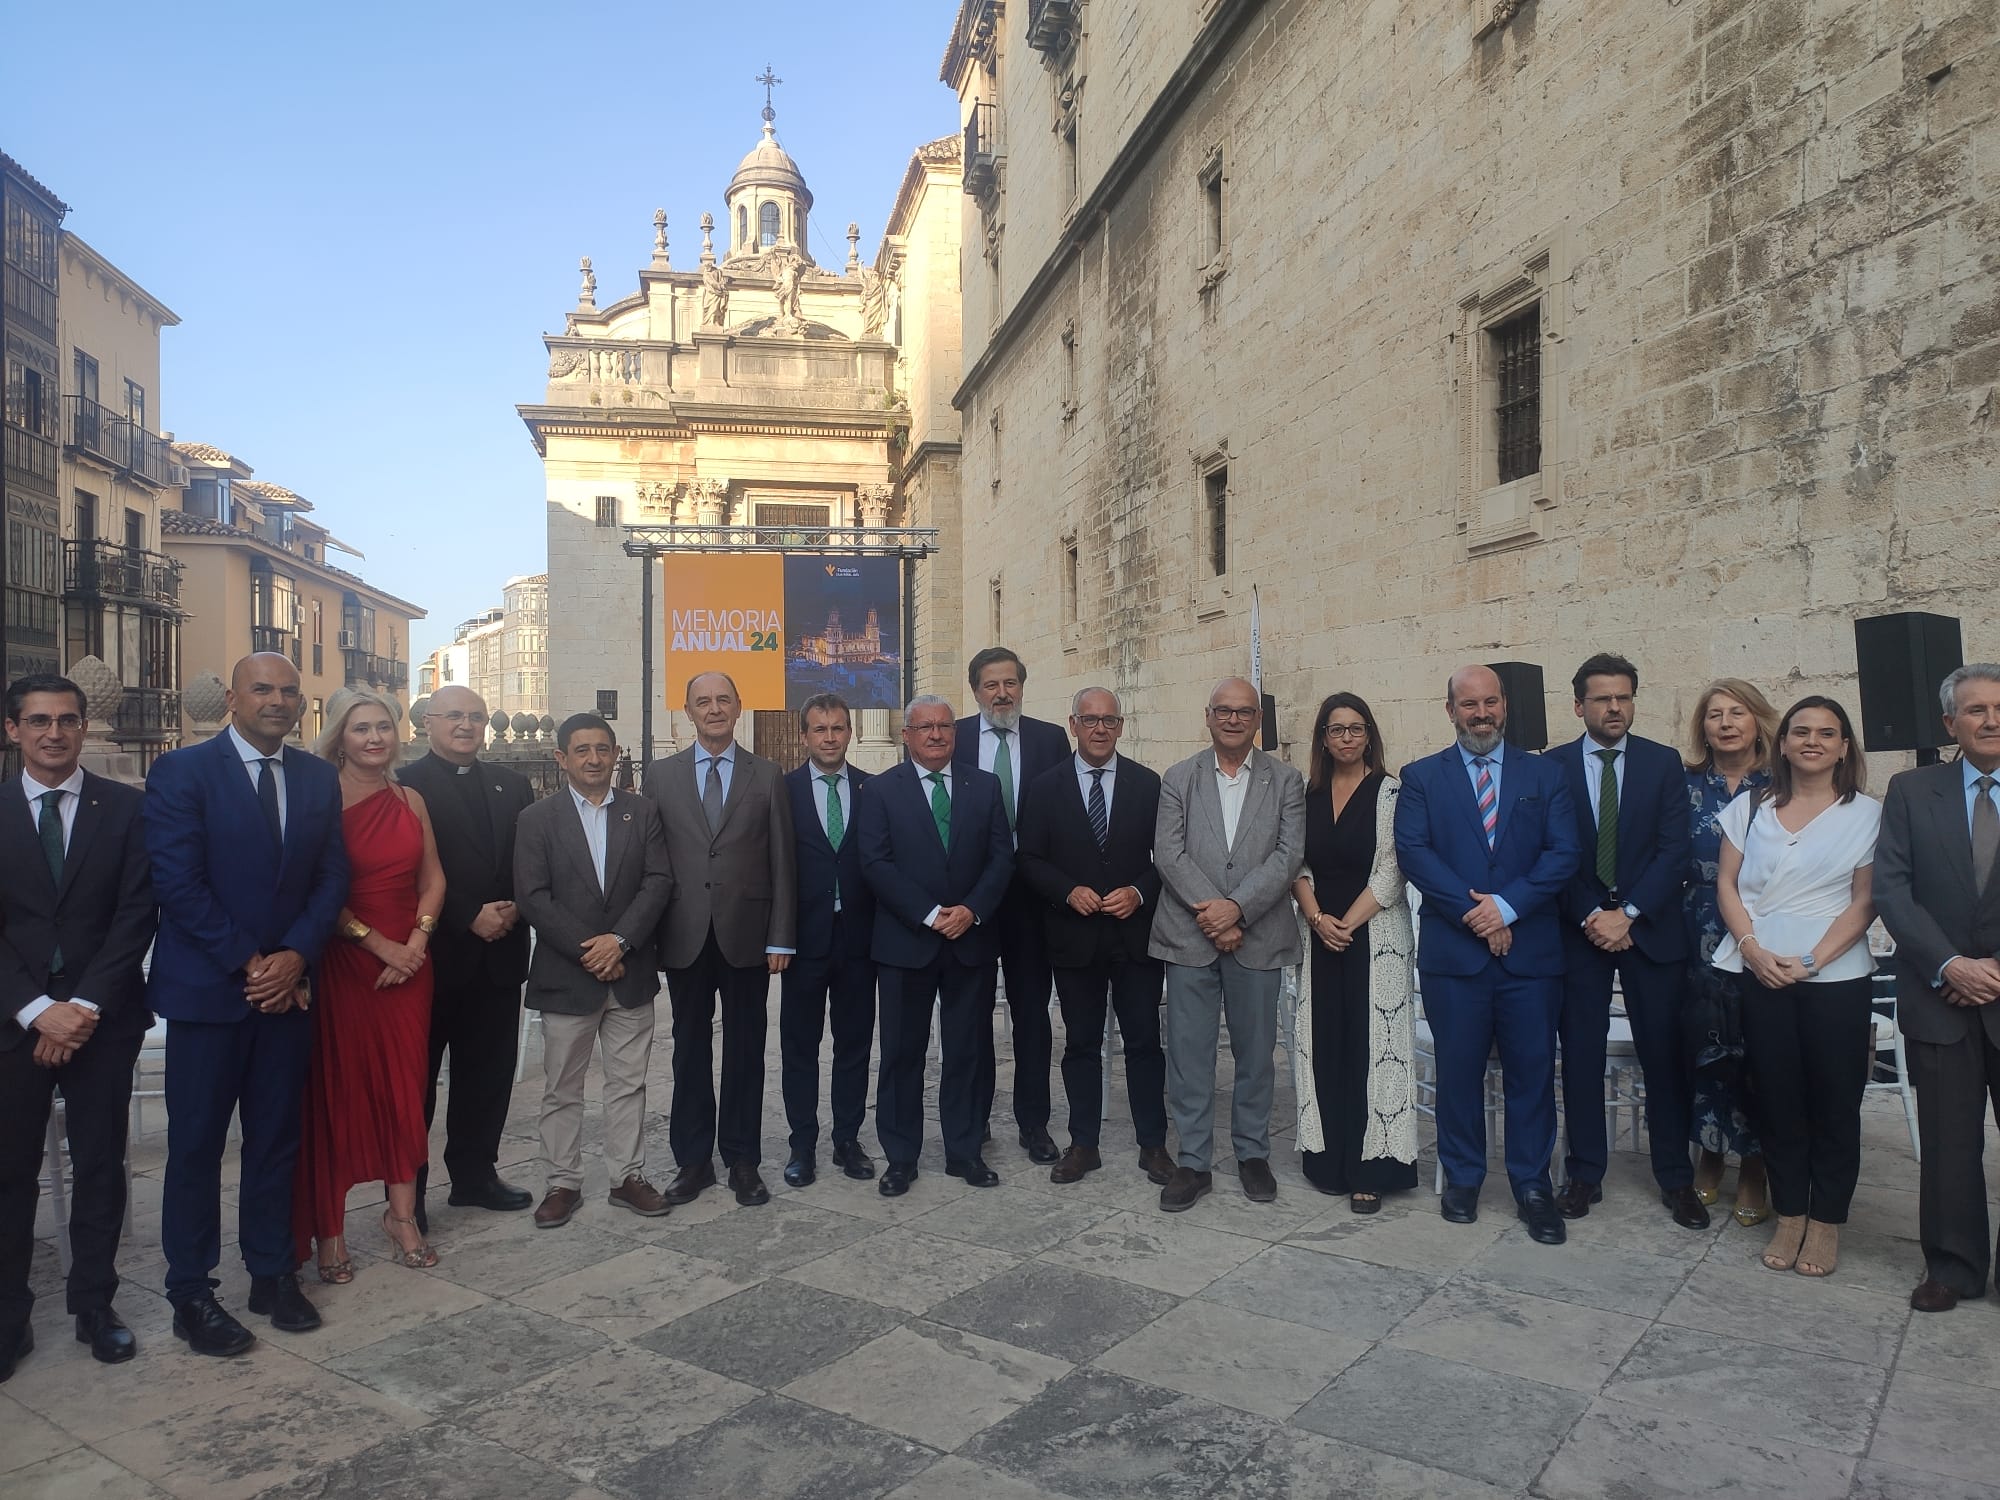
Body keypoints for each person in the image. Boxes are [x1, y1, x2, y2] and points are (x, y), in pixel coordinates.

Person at [147, 652, 349, 1354]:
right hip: (209, 994)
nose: (278, 701)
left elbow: (332, 878)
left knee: (275, 1139)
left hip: (287, 995)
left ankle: (271, 1272)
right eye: (262, 689)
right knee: (195, 1147)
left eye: (289, 691)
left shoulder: (318, 778)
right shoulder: (182, 772)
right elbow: (178, 882)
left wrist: (295, 956)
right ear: (232, 698)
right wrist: (252, 962)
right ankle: (191, 1292)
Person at [0, 675, 155, 1378]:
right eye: (38, 721)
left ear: (84, 726)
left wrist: (83, 1006)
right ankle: (9, 1318)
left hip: (102, 1021)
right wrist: (39, 1010)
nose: (53, 733)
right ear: (13, 730)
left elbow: (137, 914)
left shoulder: (125, 809)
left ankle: (95, 1306)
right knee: (10, 1173)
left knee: (99, 1167)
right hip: (13, 1023)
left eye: (66, 720)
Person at [1394, 665, 1580, 1246]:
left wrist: (1507, 908)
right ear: (1450, 710)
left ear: (1505, 706)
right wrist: (1479, 915)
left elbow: (1563, 852)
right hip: (1456, 957)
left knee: (1532, 1075)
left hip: (1531, 959)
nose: (1481, 714)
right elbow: (1415, 853)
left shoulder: (1545, 775)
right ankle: (1464, 1178)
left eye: (1490, 703)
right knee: (1458, 1072)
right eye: (1469, 704)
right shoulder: (1421, 777)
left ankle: (1532, 1186)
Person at [1713, 695, 1880, 1280]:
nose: (1813, 741)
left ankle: (1827, 1220)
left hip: (1836, 976)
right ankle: (1790, 1213)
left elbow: (1865, 900)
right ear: (1781, 743)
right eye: (1801, 731)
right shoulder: (1750, 807)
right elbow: (1727, 885)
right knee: (1777, 1098)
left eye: (1826, 733)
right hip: (1762, 970)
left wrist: (1811, 961)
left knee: (1835, 1102)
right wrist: (1753, 949)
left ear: (1844, 747)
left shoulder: (1868, 814)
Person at [292, 688, 446, 1280]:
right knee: (338, 1091)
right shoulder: (318, 797)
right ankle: (330, 1230)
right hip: (343, 964)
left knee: (404, 1091)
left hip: (409, 968)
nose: (375, 737)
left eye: (383, 726)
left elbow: (433, 879)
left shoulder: (410, 798)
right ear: (339, 736)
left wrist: (416, 944)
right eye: (361, 728)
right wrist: (380, 945)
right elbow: (310, 888)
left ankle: (401, 1215)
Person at [1549, 655, 1702, 1227]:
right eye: (1603, 699)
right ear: (1578, 706)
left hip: (1650, 931)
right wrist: (1593, 913)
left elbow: (1675, 850)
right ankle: (1585, 1173)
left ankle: (1676, 1178)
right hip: (1579, 933)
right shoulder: (1552, 768)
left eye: (1624, 697)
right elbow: (1552, 853)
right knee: (1581, 1058)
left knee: (1663, 1057)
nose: (1615, 708)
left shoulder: (1663, 763)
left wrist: (1629, 913)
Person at [1150, 678, 1306, 1213]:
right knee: (1189, 1056)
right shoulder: (1179, 778)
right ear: (1208, 716)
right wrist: (1215, 914)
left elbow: (1288, 855)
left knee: (1256, 1055)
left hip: (1258, 936)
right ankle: (1193, 1161)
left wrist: (1237, 909)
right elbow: (1169, 853)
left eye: (1243, 711)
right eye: (1224, 711)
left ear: (1258, 719)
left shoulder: (1286, 780)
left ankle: (1252, 1154)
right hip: (1189, 935)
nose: (1233, 719)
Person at [515, 713, 675, 1228]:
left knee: (628, 1084)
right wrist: (592, 950)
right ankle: (562, 1182)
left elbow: (658, 880)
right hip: (567, 975)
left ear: (616, 754)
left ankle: (627, 1176)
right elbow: (533, 895)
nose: (593, 759)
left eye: (602, 749)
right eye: (581, 750)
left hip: (631, 973)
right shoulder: (537, 819)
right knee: (562, 1087)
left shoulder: (641, 812)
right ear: (561, 758)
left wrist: (620, 942)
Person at [1873, 665, 2000, 1312]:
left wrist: (1992, 970)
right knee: (1949, 1144)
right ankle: (1952, 1267)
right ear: (1951, 723)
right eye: (1976, 710)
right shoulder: (1912, 790)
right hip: (1939, 996)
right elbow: (1892, 889)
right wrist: (1949, 964)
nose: (1992, 720)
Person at [644, 672, 797, 1207]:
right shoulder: (661, 777)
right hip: (683, 934)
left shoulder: (767, 775)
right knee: (688, 1050)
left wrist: (781, 938)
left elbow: (782, 861)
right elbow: (651, 860)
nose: (714, 709)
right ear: (688, 711)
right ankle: (693, 1161)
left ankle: (742, 1160)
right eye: (703, 701)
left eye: (723, 700)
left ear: (738, 707)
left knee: (746, 1050)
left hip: (747, 936)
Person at [856, 695, 1014, 1196]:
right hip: (906, 943)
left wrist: (972, 909)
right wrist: (928, 914)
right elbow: (875, 863)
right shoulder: (880, 790)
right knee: (902, 1053)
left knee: (968, 1051)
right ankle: (901, 1158)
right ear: (907, 736)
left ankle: (964, 1152)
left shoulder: (984, 786)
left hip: (971, 940)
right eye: (924, 727)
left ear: (955, 733)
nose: (936, 734)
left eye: (944, 726)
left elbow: (1001, 857)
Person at [1015, 687, 1170, 1186]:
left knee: (1144, 1043)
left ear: (1121, 727)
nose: (1100, 729)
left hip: (1134, 937)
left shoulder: (1148, 784)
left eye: (1109, 720)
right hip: (1074, 937)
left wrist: (1139, 892)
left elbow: (1167, 857)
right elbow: (1029, 858)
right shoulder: (1045, 787)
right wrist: (1067, 892)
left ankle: (1153, 1145)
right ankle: (1083, 1144)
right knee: (1080, 1043)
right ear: (1073, 725)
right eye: (1090, 720)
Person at [398, 686, 535, 1231]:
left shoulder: (513, 784)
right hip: (433, 957)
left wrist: (516, 906)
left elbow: (531, 859)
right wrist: (466, 915)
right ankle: (411, 1194)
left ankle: (475, 1176)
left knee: (488, 1076)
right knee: (419, 1083)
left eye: (475, 716)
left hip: (500, 955)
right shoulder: (405, 785)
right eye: (454, 715)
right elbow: (402, 870)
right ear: (428, 722)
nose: (466, 725)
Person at [1288, 692, 1418, 1212]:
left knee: (1373, 1048)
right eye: (1337, 729)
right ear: (1323, 738)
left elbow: (1393, 866)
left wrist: (1346, 922)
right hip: (1320, 935)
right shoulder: (1308, 797)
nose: (1347, 737)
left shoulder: (1390, 792)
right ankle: (1328, 1161)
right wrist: (1318, 919)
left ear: (1369, 736)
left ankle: (1373, 1168)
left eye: (1356, 728)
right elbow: (1295, 865)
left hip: (1376, 934)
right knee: (1326, 1045)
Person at [954, 647, 1070, 1164]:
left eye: (1010, 684)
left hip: (1032, 898)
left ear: (1022, 686)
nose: (1002, 694)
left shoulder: (1050, 739)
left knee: (1032, 1013)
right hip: (974, 896)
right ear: (975, 690)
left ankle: (1034, 1123)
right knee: (972, 1011)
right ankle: (974, 1117)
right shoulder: (954, 738)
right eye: (991, 685)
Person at [1682, 679, 1778, 1225]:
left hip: (1763, 929)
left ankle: (1756, 1165)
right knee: (1706, 1045)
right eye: (1714, 714)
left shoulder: (1783, 784)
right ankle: (1711, 1153)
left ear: (1757, 720)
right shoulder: (1685, 784)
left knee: (1757, 1050)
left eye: (1736, 712)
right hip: (1695, 926)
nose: (1725, 723)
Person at [779, 693, 878, 1187]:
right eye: (820, 729)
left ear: (850, 733)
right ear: (804, 736)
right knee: (800, 1046)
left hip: (859, 939)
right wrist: (776, 939)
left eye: (838, 728)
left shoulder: (872, 789)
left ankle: (847, 1140)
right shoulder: (783, 791)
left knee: (854, 1045)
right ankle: (802, 1144)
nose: (830, 737)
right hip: (803, 940)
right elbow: (774, 866)